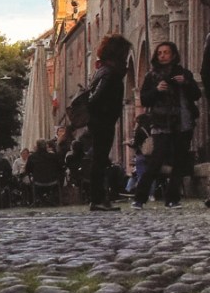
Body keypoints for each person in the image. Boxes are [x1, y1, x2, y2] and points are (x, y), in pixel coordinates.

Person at [133, 39, 198, 209]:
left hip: (183, 122)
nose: (162, 56)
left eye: (166, 52)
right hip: (161, 123)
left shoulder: (184, 73)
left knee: (179, 161)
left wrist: (186, 83)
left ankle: (172, 199)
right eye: (160, 53)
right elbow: (144, 99)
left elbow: (196, 95)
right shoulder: (151, 76)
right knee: (156, 160)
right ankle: (140, 198)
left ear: (173, 55)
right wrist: (156, 90)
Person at [80, 33, 130, 211]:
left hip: (100, 120)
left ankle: (98, 198)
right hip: (103, 121)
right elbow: (96, 98)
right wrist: (107, 112)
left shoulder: (102, 70)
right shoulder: (110, 73)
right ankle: (98, 198)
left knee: (99, 160)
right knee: (100, 160)